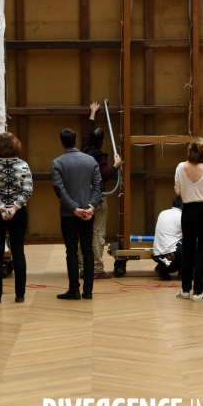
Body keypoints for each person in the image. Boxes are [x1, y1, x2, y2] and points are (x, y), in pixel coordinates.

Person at [52, 128, 102, 300]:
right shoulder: (91, 161)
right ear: (75, 141)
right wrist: (91, 206)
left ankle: (74, 289)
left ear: (61, 142)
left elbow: (60, 190)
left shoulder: (57, 163)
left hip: (68, 214)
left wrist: (74, 208)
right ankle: (88, 291)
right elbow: (98, 187)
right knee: (88, 250)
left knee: (71, 251)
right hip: (88, 213)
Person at [0, 132, 33, 304]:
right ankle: (20, 295)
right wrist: (15, 208)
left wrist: (1, 207)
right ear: (15, 146)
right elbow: (27, 190)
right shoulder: (23, 165)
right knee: (18, 252)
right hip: (19, 213)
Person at [79, 101, 122, 279]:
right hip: (97, 199)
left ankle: (83, 267)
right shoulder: (99, 157)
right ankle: (96, 269)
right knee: (97, 235)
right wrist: (115, 165)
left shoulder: (84, 148)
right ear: (103, 142)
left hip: (82, 200)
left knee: (83, 235)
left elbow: (88, 132)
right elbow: (105, 175)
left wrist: (92, 113)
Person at [174, 136, 203, 301]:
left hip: (188, 210)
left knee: (188, 250)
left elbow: (177, 191)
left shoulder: (180, 167)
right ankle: (198, 292)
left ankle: (185, 290)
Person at [152, 196, 183, 280]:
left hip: (157, 255)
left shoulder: (163, 212)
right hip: (171, 254)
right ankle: (185, 274)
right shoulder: (182, 215)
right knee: (196, 246)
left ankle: (162, 268)